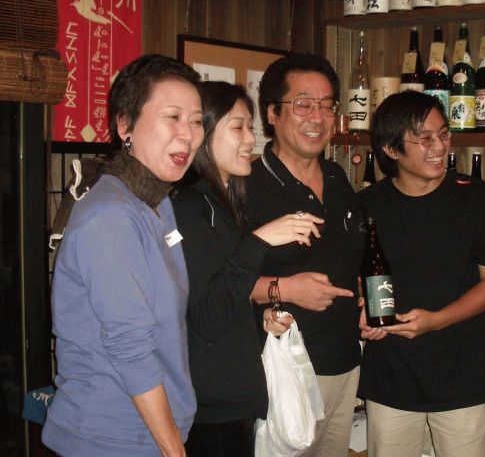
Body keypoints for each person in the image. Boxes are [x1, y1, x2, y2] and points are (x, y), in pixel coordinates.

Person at [42, 54, 204, 456]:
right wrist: (174, 449)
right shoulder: (110, 215)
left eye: (197, 121)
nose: (188, 134)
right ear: (125, 125)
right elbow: (129, 345)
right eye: (172, 117)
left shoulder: (157, 202)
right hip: (111, 437)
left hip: (146, 430)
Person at [172, 81, 322, 456]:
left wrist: (262, 317)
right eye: (237, 127)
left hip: (236, 397)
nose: (250, 139)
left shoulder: (227, 205)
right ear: (203, 133)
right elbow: (206, 318)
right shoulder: (189, 208)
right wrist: (260, 240)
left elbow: (228, 295)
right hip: (209, 407)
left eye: (250, 128)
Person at [357, 91, 485, 457]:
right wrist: (361, 310)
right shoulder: (367, 205)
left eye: (443, 134)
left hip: (462, 374)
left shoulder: (478, 198)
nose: (439, 146)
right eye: (424, 139)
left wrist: (436, 321)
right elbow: (356, 278)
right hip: (391, 375)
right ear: (391, 149)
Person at [245, 53, 364, 457]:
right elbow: (219, 281)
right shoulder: (248, 186)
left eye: (327, 105)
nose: (318, 117)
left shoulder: (337, 177)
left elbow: (348, 259)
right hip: (284, 369)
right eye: (303, 104)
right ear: (272, 112)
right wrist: (288, 290)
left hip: (345, 362)